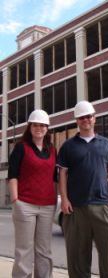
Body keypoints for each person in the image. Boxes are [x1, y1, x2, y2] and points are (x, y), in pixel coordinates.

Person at [57, 100, 108, 278]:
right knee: (78, 257)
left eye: (89, 116)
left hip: (103, 206)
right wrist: (64, 199)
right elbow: (62, 174)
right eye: (82, 117)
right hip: (76, 208)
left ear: (94, 118)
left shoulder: (106, 144)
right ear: (77, 121)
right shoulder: (68, 146)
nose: (86, 120)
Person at [8, 109, 57, 278]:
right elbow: (12, 175)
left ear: (47, 128)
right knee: (24, 250)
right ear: (30, 127)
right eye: (36, 125)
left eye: (43, 125)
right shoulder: (21, 148)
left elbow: (55, 177)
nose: (39, 128)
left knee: (44, 250)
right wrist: (15, 200)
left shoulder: (52, 149)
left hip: (48, 206)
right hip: (25, 204)